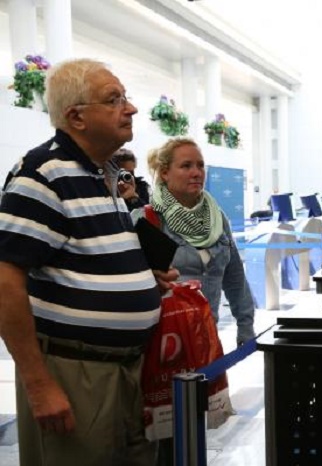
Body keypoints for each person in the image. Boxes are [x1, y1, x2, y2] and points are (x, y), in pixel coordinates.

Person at [0, 59, 177, 466]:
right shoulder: (42, 174)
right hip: (76, 373)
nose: (130, 109)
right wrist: (39, 384)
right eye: (113, 100)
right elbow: (6, 278)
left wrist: (140, 278)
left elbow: (80, 255)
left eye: (126, 98)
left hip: (128, 370)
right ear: (76, 117)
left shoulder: (107, 173)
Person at [135, 137, 256, 345]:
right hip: (162, 342)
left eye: (200, 165)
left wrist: (246, 326)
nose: (196, 172)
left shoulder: (218, 219)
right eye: (186, 166)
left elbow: (235, 278)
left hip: (207, 340)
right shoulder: (146, 220)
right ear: (165, 173)